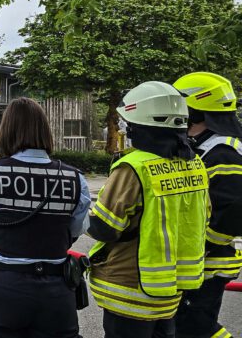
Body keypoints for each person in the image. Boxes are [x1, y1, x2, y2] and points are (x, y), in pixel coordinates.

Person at [0, 97, 91, 337]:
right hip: (56, 290)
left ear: (6, 131)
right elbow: (76, 229)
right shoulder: (75, 178)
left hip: (2, 286)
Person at [87, 81, 209, 337]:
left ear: (139, 125)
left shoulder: (134, 166)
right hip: (169, 289)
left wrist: (78, 214)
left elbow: (105, 228)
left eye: (128, 123)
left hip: (130, 288)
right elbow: (204, 216)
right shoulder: (195, 164)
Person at [173, 72, 242, 338]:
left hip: (208, 264)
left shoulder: (222, 151)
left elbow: (234, 211)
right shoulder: (203, 146)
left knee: (195, 329)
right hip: (196, 263)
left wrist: (204, 244)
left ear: (194, 110)